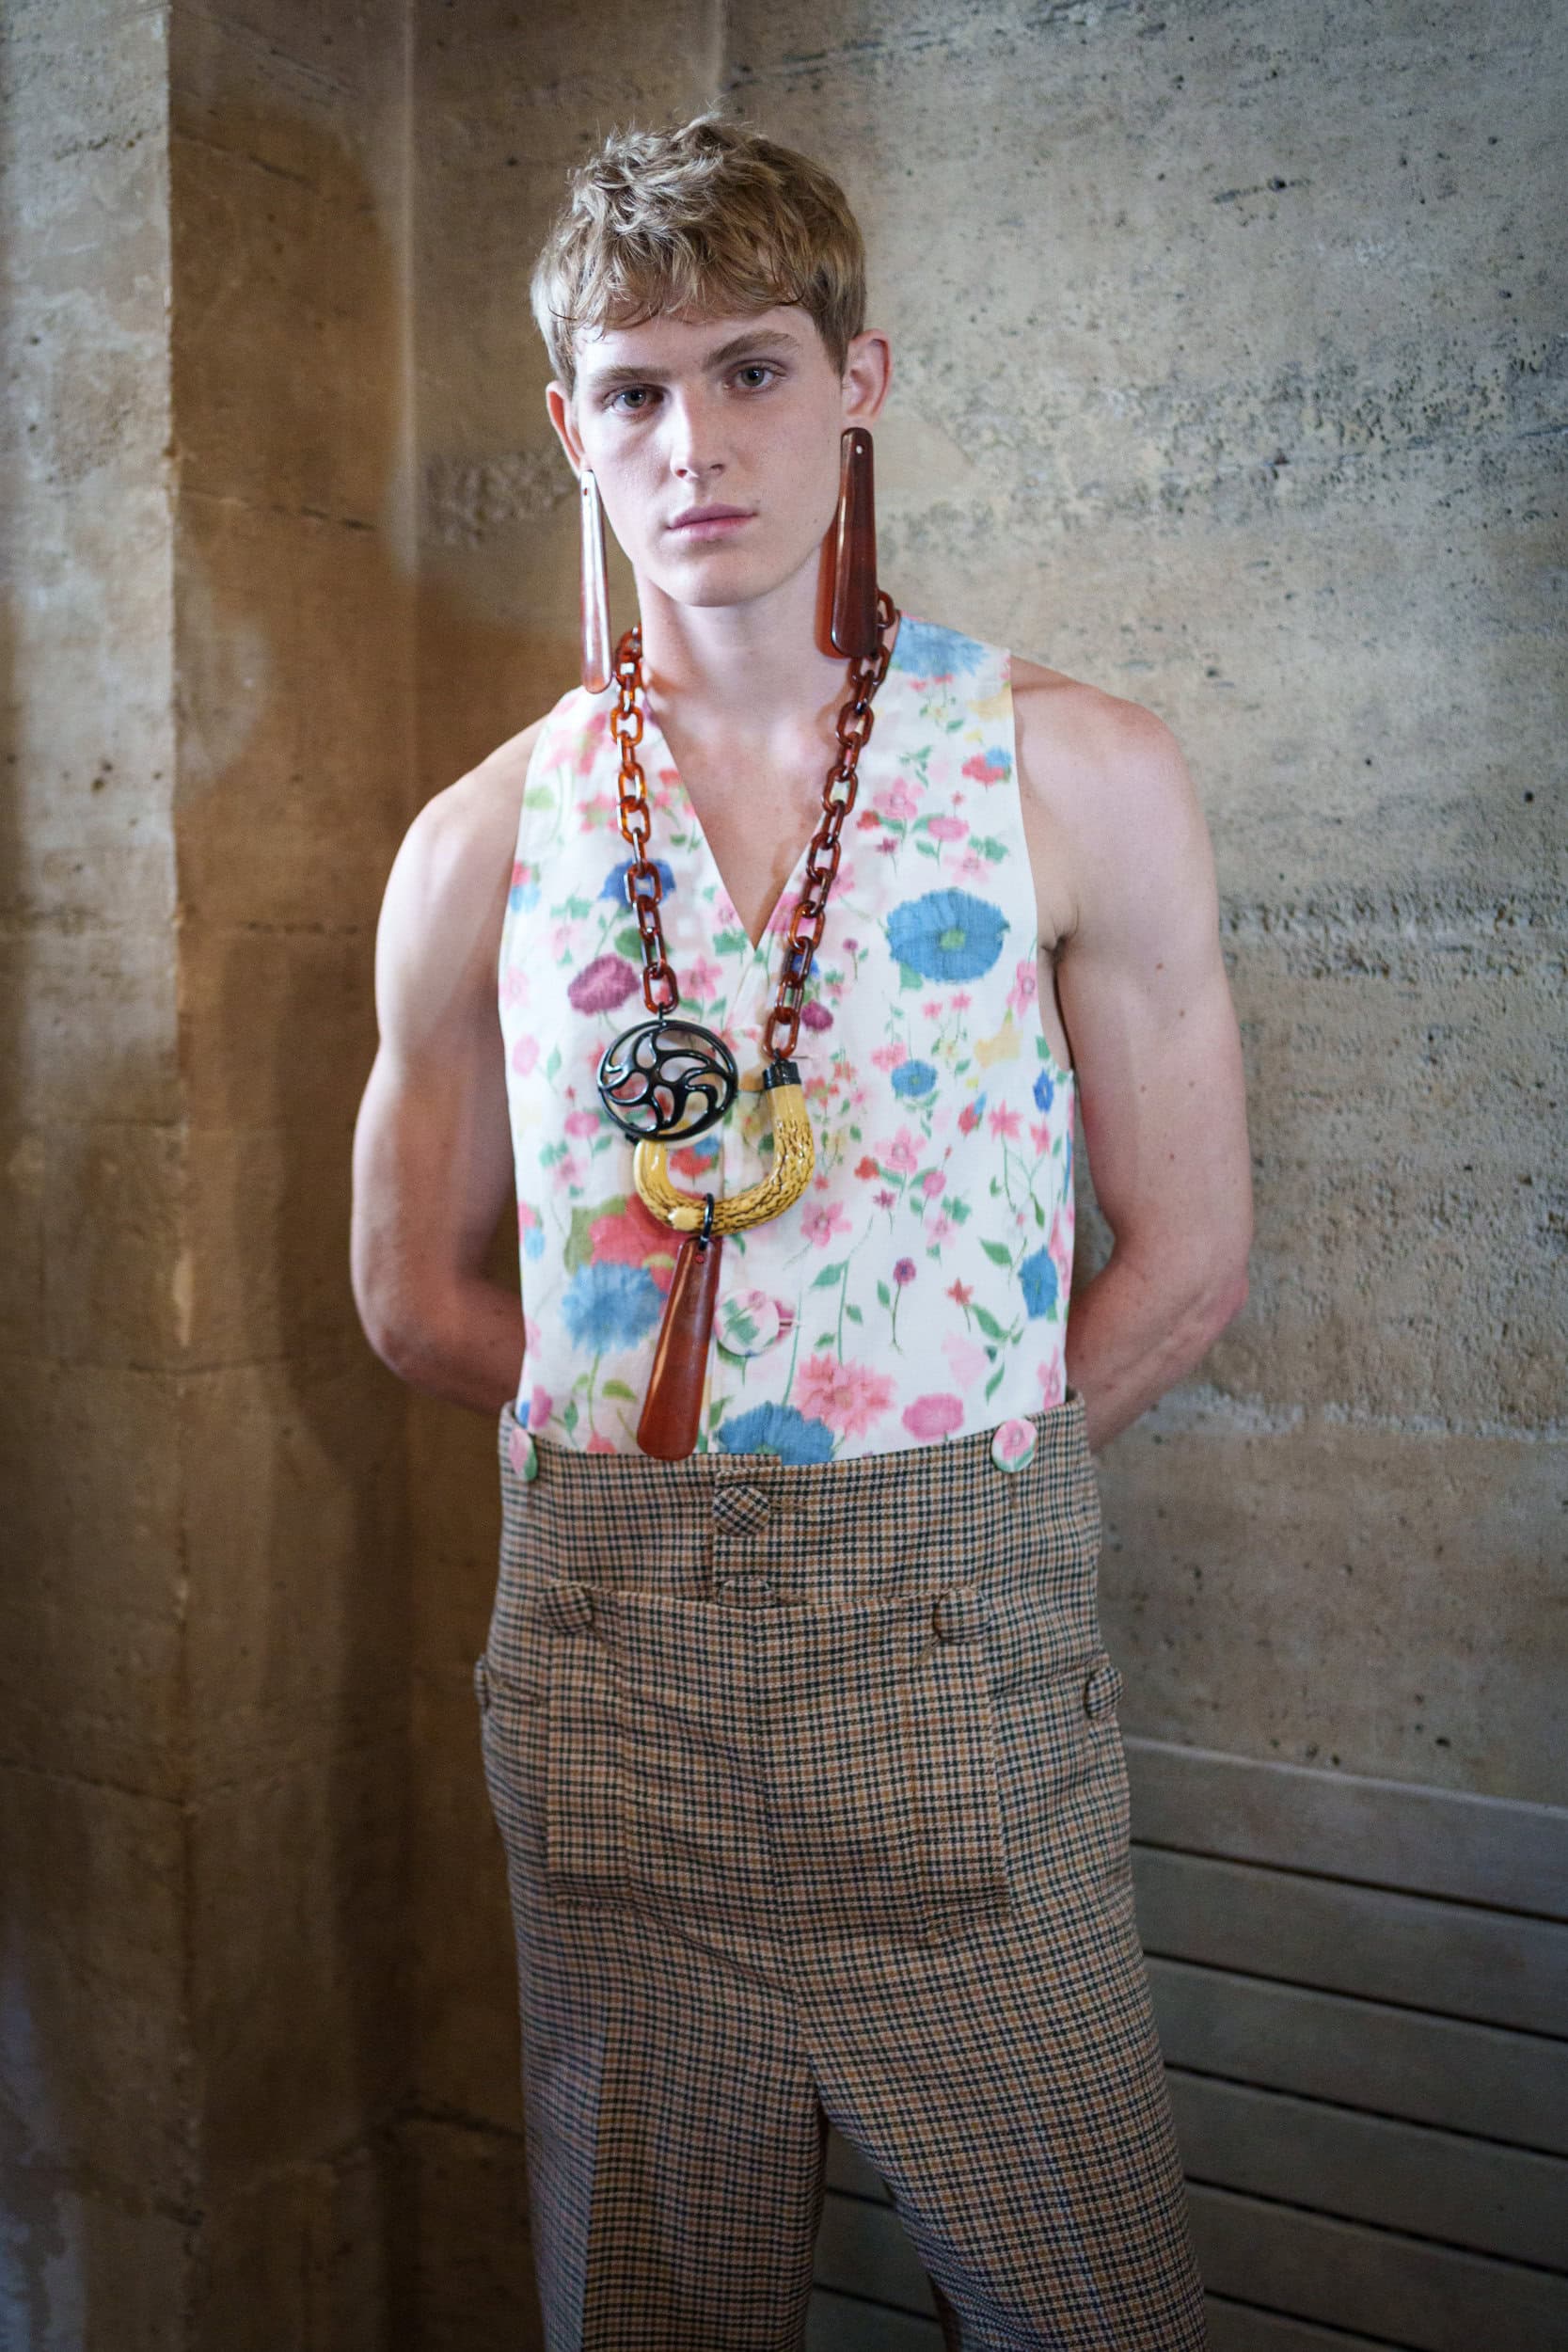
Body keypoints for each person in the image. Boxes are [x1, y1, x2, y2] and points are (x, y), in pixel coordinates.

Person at [352, 112, 1250, 2352]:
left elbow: (1188, 1253)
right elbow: (412, 1292)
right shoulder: (482, 839)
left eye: (751, 369)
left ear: (860, 381)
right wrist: (660, 1464)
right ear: (570, 426)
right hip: (613, 1690)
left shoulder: (1075, 770)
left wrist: (954, 1475)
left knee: (1094, 2311)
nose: (696, 444)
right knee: (647, 2308)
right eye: (636, 390)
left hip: (956, 1675)